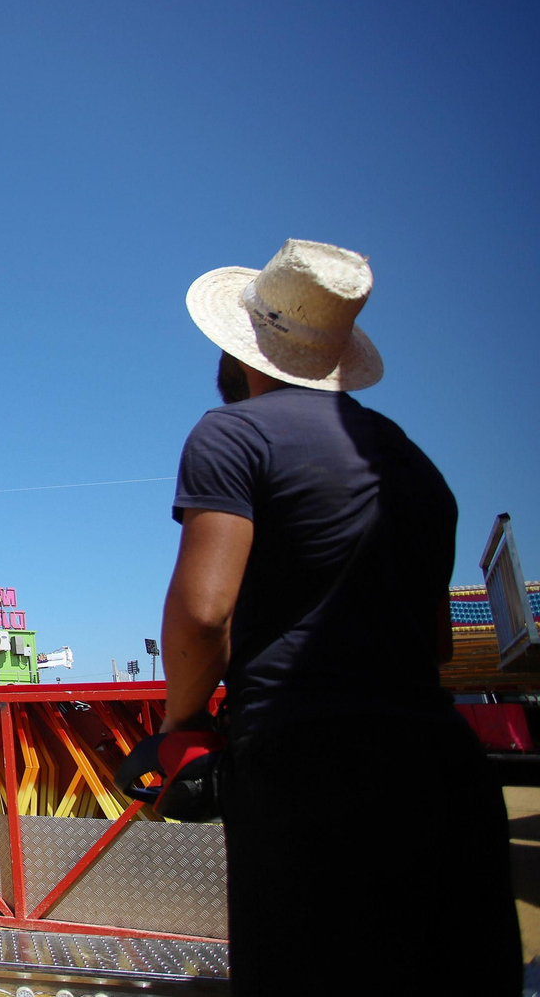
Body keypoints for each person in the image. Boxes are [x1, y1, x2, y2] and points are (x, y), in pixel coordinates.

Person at [159, 239, 519, 993]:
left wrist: (180, 728)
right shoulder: (419, 467)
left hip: (307, 776)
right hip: (449, 776)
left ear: (241, 349)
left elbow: (203, 612)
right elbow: (436, 643)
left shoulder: (233, 434)